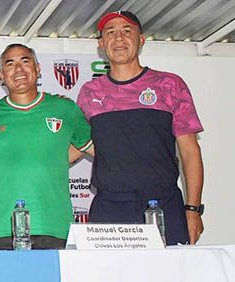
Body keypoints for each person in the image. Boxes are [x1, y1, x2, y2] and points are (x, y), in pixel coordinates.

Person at [77, 11, 204, 245]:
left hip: (163, 204)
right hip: (110, 209)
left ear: (141, 40)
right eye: (111, 32)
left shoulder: (170, 84)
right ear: (101, 44)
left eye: (127, 31)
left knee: (170, 270)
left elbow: (190, 151)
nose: (119, 38)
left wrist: (193, 209)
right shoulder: (89, 92)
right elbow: (76, 146)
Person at [0, 44, 93, 250]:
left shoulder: (65, 109)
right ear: (0, 74)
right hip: (4, 230)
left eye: (25, 61)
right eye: (10, 64)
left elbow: (97, 148)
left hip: (55, 227)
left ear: (38, 68)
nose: (18, 69)